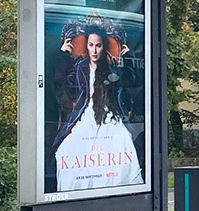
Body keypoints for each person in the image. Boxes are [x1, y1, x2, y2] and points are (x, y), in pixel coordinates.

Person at [51, 20, 144, 192]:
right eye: (91, 45)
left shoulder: (111, 69)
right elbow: (64, 85)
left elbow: (132, 82)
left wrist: (128, 57)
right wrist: (63, 55)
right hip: (85, 114)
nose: (94, 50)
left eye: (98, 45)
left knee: (122, 142)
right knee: (67, 149)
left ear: (103, 47)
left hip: (109, 116)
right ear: (86, 45)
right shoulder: (79, 68)